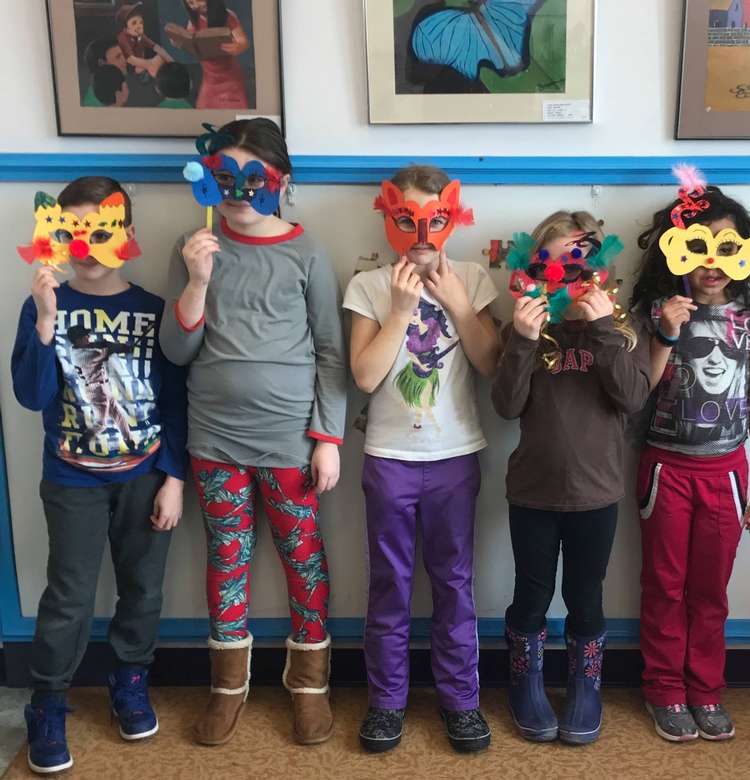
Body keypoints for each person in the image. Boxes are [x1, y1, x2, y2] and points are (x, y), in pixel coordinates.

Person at [160, 119, 346, 747]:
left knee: (304, 561)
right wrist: (196, 280)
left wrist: (327, 437)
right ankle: (226, 688)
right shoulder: (195, 247)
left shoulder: (308, 252)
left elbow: (330, 352)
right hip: (215, 442)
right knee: (227, 560)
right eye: (223, 178)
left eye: (252, 178)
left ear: (280, 182)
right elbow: (176, 350)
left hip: (290, 442)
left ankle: (310, 685)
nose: (237, 192)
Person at [12, 177, 187, 774]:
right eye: (71, 232)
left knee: (143, 588)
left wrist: (174, 476)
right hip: (72, 478)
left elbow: (176, 400)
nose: (85, 246)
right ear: (54, 236)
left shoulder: (153, 310)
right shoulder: (43, 306)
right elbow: (32, 396)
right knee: (69, 595)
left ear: (127, 236)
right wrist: (42, 319)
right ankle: (49, 701)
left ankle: (130, 680)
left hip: (145, 473)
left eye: (100, 231)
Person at [344, 165, 500, 754]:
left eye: (435, 218)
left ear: (453, 218)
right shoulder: (369, 285)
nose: (422, 232)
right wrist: (401, 311)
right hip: (389, 457)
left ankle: (461, 702)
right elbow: (363, 375)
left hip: (455, 456)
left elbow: (490, 365)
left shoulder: (474, 278)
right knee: (389, 584)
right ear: (390, 218)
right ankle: (387, 702)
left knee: (454, 584)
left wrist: (459, 305)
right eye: (407, 218)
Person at [492, 211, 650, 745]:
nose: (566, 273)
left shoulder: (621, 328)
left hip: (597, 495)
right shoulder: (526, 326)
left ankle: (586, 685)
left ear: (600, 268)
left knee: (587, 596)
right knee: (531, 597)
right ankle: (526, 682)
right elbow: (506, 406)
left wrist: (603, 328)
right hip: (534, 493)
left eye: (579, 261)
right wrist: (520, 340)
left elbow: (632, 399)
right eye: (553, 261)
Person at [631, 176, 750, 742]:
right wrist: (666, 331)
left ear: (746, 254)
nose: (711, 262)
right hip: (665, 469)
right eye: (697, 246)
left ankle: (705, 690)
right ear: (676, 250)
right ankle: (665, 689)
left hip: (728, 472)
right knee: (664, 584)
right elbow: (639, 391)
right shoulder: (655, 312)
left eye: (725, 248)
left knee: (710, 588)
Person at [171, 0, 249, 109]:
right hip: (209, 80)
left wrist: (237, 47)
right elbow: (193, 44)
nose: (196, 5)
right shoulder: (194, 21)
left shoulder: (227, 16)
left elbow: (243, 42)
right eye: (190, 3)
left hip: (230, 79)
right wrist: (181, 43)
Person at [116, 2, 173, 81]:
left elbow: (156, 47)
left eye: (141, 22)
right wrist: (150, 64)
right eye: (134, 23)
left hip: (144, 65)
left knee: (161, 58)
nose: (139, 26)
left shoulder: (140, 35)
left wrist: (172, 62)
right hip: (131, 69)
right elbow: (130, 59)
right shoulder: (122, 38)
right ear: (126, 28)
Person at [83, 36, 127, 106]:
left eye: (123, 55)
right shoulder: (94, 103)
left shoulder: (113, 91)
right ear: (102, 63)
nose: (124, 60)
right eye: (118, 57)